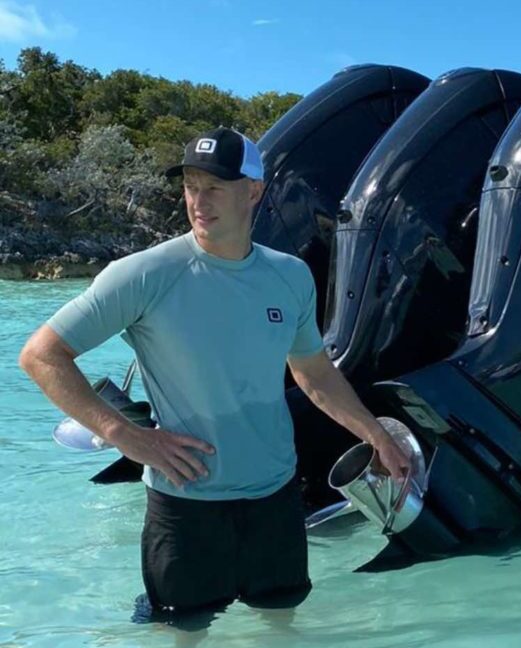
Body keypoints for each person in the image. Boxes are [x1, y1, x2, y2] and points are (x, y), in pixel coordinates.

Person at [19, 126, 410, 622]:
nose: (198, 200)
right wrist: (127, 436)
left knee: (281, 629)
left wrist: (377, 435)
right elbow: (41, 356)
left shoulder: (289, 276)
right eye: (190, 186)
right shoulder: (144, 274)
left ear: (254, 191)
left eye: (215, 187)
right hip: (185, 506)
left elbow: (313, 372)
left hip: (276, 497)